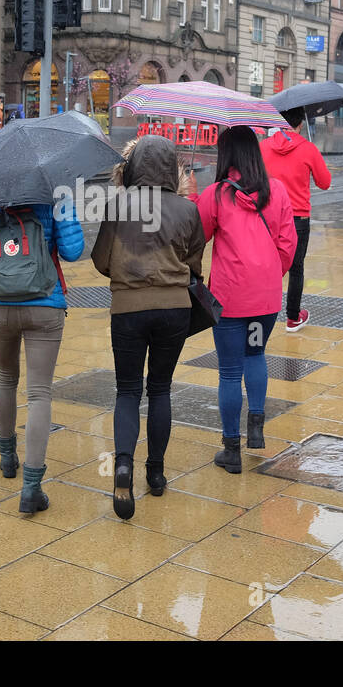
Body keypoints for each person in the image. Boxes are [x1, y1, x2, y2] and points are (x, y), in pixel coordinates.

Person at [92, 136, 206, 519]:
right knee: (160, 389)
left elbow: (101, 261)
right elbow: (194, 264)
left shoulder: (117, 206)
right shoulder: (188, 210)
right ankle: (155, 474)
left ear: (136, 165)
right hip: (174, 309)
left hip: (127, 309)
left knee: (127, 391)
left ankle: (122, 465)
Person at [0, 199, 83, 513]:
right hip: (44, 303)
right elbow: (73, 251)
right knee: (39, 392)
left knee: (5, 378)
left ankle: (7, 459)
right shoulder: (55, 194)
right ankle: (32, 488)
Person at [197, 126, 297, 474]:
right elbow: (288, 244)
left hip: (229, 300)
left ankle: (231, 449)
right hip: (265, 301)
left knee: (228, 371)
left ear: (226, 156)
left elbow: (198, 239)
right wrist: (269, 275)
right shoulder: (278, 191)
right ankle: (255, 428)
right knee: (256, 355)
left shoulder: (215, 194)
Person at [260, 106, 332, 332]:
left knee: (266, 265)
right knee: (296, 268)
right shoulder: (308, 148)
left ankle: (261, 311)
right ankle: (293, 317)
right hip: (297, 217)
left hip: (267, 216)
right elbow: (325, 182)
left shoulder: (263, 147)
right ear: (301, 123)